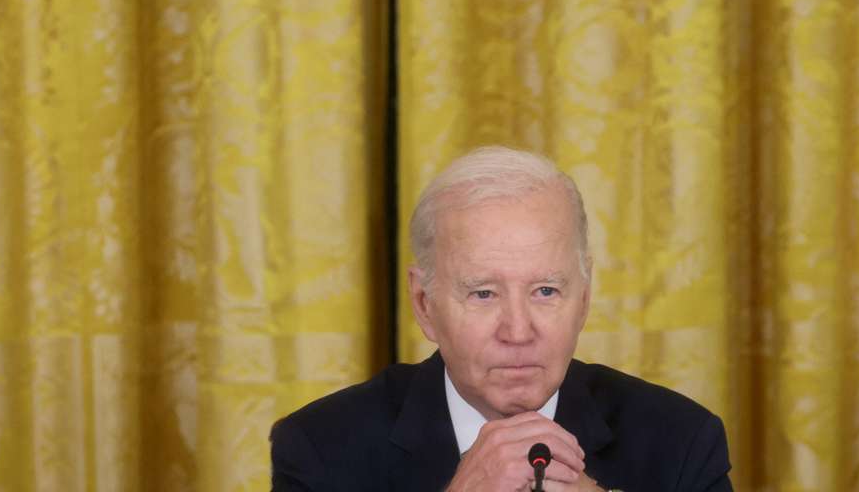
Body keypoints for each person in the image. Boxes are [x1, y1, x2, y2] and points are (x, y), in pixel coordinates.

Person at [271, 146, 732, 491]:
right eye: (484, 293)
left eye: (546, 291)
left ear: (585, 298)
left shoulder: (682, 441)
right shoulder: (320, 449)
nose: (518, 331)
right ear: (424, 304)